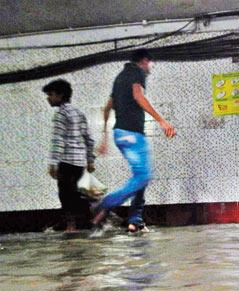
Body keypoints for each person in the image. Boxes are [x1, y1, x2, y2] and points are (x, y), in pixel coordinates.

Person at [94, 48, 176, 232]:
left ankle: (135, 220)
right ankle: (106, 204)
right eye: (151, 63)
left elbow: (107, 108)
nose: (151, 67)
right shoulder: (137, 72)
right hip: (133, 135)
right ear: (144, 61)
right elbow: (138, 97)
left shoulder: (119, 78)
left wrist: (105, 139)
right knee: (144, 176)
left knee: (140, 178)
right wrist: (161, 120)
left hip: (119, 135)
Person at [43, 79, 96, 232]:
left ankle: (71, 226)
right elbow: (89, 138)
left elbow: (58, 140)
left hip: (66, 162)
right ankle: (90, 224)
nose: (48, 98)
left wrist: (53, 163)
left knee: (66, 195)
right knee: (80, 195)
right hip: (80, 162)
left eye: (50, 95)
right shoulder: (79, 113)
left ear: (60, 95)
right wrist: (90, 160)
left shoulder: (60, 114)